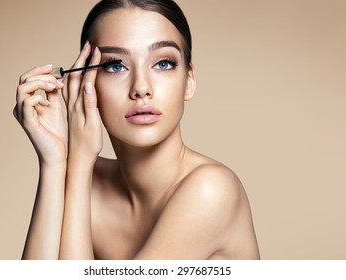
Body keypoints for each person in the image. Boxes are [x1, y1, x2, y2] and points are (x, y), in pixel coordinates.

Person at [14, 0, 260, 260]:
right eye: (116, 66)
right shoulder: (83, 176)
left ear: (189, 81)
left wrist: (76, 165)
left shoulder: (212, 191)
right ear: (86, 82)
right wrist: (54, 163)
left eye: (163, 63)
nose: (141, 88)